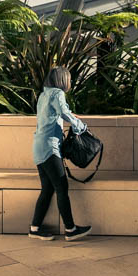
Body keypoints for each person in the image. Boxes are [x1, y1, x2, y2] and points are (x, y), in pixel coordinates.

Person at [29, 67, 91, 242]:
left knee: (47, 189)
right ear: (63, 80)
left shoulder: (43, 95)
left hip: (39, 146)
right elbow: (63, 112)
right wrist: (80, 125)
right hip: (50, 148)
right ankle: (70, 229)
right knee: (62, 187)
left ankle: (34, 228)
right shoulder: (57, 93)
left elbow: (54, 114)